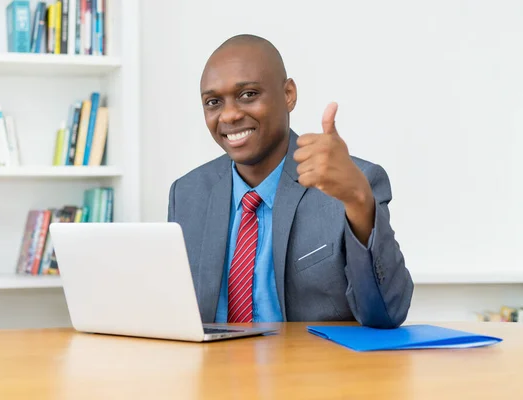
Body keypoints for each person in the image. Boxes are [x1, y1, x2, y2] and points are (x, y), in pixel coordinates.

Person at [167, 34, 413, 328]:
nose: (229, 115)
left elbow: (387, 314)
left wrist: (358, 199)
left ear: (288, 94)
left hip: (309, 370)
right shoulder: (187, 194)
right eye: (213, 102)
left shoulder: (348, 182)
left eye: (248, 95)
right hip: (212, 370)